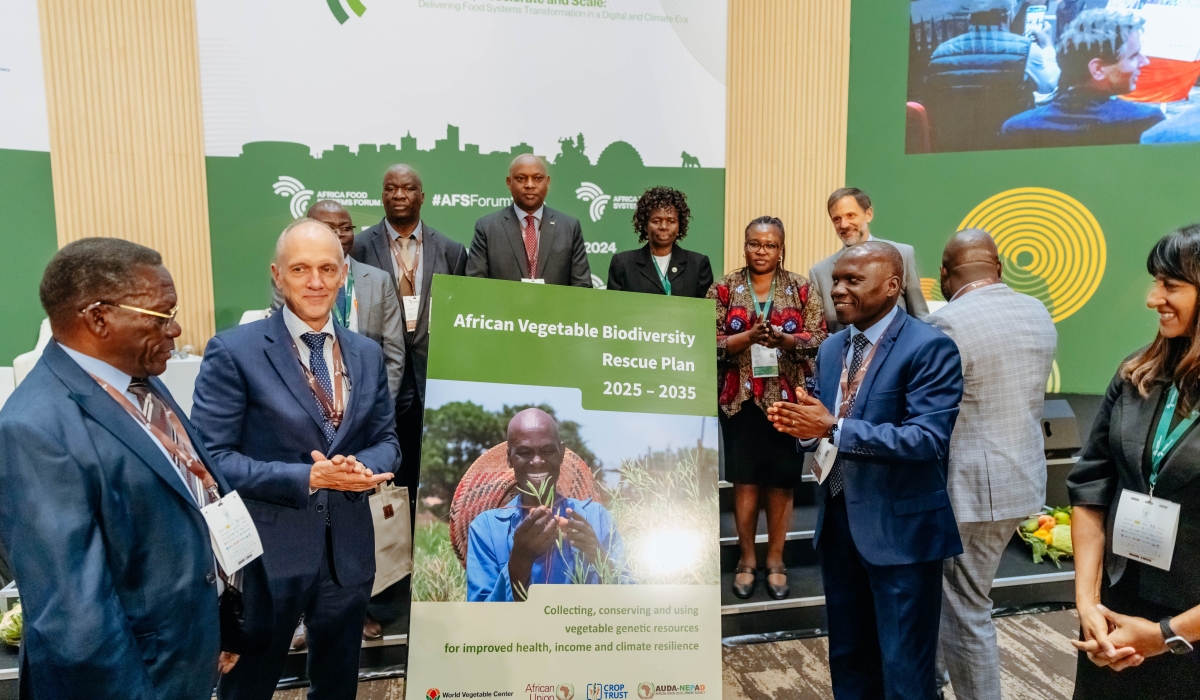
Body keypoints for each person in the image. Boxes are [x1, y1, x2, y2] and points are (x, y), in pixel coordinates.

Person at [0, 238, 265, 699]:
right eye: (162, 315)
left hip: (185, 655)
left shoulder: (140, 381)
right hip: (132, 680)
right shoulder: (35, 428)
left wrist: (220, 620)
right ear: (99, 317)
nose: (177, 328)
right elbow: (75, 618)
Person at [192, 220, 398, 700]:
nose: (316, 281)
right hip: (267, 558)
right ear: (277, 275)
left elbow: (388, 438)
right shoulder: (234, 351)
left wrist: (360, 469)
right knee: (249, 686)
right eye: (300, 269)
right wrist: (307, 477)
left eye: (327, 268)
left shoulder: (366, 354)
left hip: (347, 554)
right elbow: (211, 459)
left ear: (344, 273)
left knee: (337, 685)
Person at [768, 241, 964, 700]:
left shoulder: (930, 347)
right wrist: (804, 429)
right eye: (836, 279)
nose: (837, 289)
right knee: (850, 659)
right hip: (838, 526)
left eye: (852, 280)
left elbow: (928, 440)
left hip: (900, 536)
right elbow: (822, 421)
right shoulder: (833, 347)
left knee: (904, 671)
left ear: (892, 286)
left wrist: (834, 428)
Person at [925, 229, 1058, 700]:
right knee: (958, 595)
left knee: (966, 606)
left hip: (971, 491)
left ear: (945, 274)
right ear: (998, 267)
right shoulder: (1037, 311)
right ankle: (934, 680)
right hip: (1019, 479)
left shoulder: (948, 323)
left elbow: (930, 413)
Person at [1067, 225, 1200, 697]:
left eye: (1171, 285)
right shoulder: (1136, 375)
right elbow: (1090, 487)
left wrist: (1167, 635)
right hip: (1116, 609)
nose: (1152, 298)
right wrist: (1088, 602)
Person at [708, 216, 826, 601]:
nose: (762, 251)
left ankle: (775, 559)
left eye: (770, 245)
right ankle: (746, 560)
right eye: (754, 244)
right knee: (745, 484)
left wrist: (784, 340)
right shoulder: (724, 288)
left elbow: (820, 338)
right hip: (739, 401)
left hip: (788, 402)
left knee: (780, 484)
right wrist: (747, 337)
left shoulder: (802, 288)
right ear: (744, 246)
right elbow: (707, 341)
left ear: (782, 249)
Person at [353, 164, 468, 518]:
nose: (398, 195)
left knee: (433, 470)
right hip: (384, 375)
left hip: (434, 376)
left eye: (407, 188)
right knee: (391, 469)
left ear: (422, 196)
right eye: (390, 188)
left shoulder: (451, 250)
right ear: (382, 195)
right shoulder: (358, 246)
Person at [466, 408, 622, 602]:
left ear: (561, 453)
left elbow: (629, 602)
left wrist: (599, 557)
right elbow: (479, 618)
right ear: (509, 458)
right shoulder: (486, 528)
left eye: (548, 451)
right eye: (524, 452)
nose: (537, 462)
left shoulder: (596, 518)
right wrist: (520, 559)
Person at [272, 200, 404, 401]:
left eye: (345, 228)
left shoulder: (380, 280)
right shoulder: (291, 279)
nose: (340, 234)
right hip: (305, 398)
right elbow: (281, 344)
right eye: (329, 228)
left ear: (342, 275)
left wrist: (377, 405)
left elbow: (394, 355)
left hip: (367, 399)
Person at [1000, 9, 1162, 149]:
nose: (1144, 62)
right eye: (1133, 56)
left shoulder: (1017, 128)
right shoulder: (1145, 123)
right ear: (1097, 69)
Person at [809, 188, 928, 334]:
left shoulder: (902, 255)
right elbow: (821, 333)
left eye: (851, 215)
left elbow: (921, 318)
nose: (844, 225)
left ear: (868, 214)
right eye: (837, 219)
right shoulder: (820, 273)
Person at [466, 154, 592, 287]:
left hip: (555, 307)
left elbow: (582, 288)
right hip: (505, 307)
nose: (530, 185)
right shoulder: (487, 228)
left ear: (547, 182)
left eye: (538, 178)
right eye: (521, 178)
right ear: (509, 183)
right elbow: (476, 287)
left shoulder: (569, 228)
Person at [605, 186, 714, 297]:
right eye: (656, 221)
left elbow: (705, 311)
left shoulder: (698, 264)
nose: (663, 226)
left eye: (671, 221)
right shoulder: (622, 263)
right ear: (645, 225)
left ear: (679, 226)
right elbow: (614, 309)